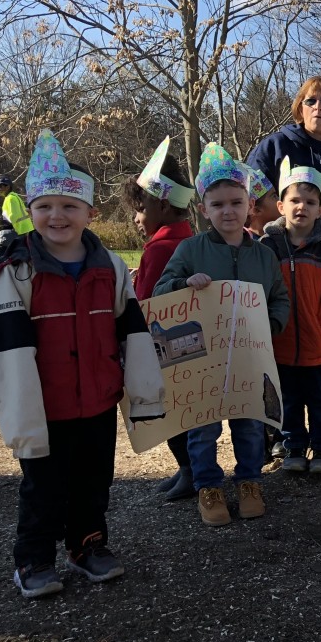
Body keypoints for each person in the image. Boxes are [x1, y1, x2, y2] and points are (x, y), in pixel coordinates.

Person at [0, 131, 164, 599]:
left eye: (69, 206)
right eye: (45, 206)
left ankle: (87, 546)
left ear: (90, 213)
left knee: (93, 481)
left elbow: (134, 334)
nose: (56, 215)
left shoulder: (112, 268)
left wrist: (144, 394)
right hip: (46, 405)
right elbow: (3, 350)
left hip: (97, 401)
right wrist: (20, 417)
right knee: (44, 488)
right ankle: (33, 559)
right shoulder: (17, 272)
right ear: (29, 211)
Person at [153, 143, 290, 527]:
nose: (227, 211)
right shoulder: (190, 249)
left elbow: (279, 298)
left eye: (236, 202)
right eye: (217, 204)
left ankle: (249, 481)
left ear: (250, 204)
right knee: (203, 427)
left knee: (249, 423)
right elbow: (161, 292)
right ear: (203, 209)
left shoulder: (263, 256)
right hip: (202, 362)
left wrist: (272, 324)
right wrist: (184, 282)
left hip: (249, 357)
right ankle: (208, 486)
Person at [261, 158, 321, 475]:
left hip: (319, 346)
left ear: (320, 209)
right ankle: (294, 447)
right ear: (280, 205)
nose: (302, 207)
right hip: (281, 344)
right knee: (288, 400)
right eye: (295, 200)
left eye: (310, 202)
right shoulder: (268, 246)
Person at [120, 138, 197, 501]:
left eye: (142, 207)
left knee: (171, 414)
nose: (137, 217)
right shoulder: (187, 240)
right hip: (184, 343)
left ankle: (189, 470)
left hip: (161, 347)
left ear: (163, 205)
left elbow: (148, 302)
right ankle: (188, 469)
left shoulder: (162, 247)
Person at [246, 76, 321, 211]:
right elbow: (252, 198)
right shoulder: (275, 146)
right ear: (300, 109)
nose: (318, 107)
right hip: (283, 229)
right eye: (310, 101)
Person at [0, 174, 34, 245]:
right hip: (25, 229)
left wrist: (5, 228)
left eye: (0, 186)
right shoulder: (12, 197)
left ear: (7, 187)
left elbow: (13, 216)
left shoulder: (10, 198)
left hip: (21, 230)